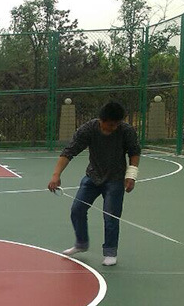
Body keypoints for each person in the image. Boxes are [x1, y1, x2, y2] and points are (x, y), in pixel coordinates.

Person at [47, 101, 141, 266]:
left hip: (115, 179)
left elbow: (134, 152)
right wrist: (56, 175)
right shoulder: (88, 129)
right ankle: (81, 243)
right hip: (92, 177)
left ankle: (110, 252)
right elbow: (69, 151)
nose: (114, 127)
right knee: (77, 210)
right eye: (110, 124)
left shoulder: (126, 131)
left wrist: (131, 175)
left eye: (117, 124)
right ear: (101, 120)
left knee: (111, 216)